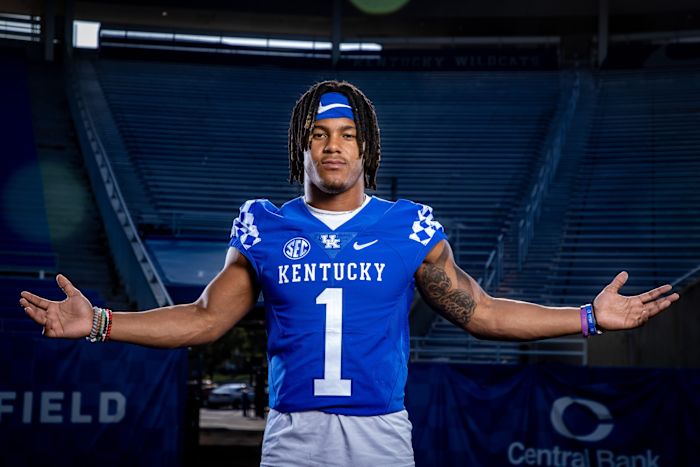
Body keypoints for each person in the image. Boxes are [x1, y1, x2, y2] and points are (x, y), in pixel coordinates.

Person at [19, 80, 679, 466]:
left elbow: (480, 311)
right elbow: (204, 318)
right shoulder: (263, 225)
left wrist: (589, 317)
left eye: (346, 134)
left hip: (380, 434)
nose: (332, 144)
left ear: (366, 147)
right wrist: (101, 321)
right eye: (318, 133)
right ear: (301, 145)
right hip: (291, 433)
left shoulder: (410, 225)